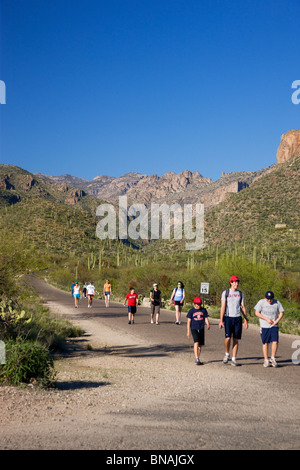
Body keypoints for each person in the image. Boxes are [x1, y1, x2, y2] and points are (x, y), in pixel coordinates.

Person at [219, 275, 248, 366]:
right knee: (228, 338)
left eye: (237, 282)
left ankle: (234, 358)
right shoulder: (226, 293)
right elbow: (223, 306)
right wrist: (221, 320)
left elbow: (243, 307)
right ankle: (227, 353)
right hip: (228, 317)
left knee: (236, 339)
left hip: (237, 318)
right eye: (234, 282)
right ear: (231, 283)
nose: (236, 284)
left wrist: (245, 320)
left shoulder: (240, 294)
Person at [254, 291, 284, 368]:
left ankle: (273, 358)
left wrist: (276, 321)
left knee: (275, 341)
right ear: (265, 298)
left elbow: (281, 312)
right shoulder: (261, 302)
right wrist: (266, 319)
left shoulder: (277, 302)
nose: (269, 300)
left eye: (271, 299)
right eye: (268, 299)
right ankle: (266, 359)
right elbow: (257, 313)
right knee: (265, 342)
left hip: (274, 325)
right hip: (264, 325)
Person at [186, 297, 210, 365]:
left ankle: (198, 358)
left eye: (199, 304)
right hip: (194, 328)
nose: (198, 305)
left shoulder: (203, 310)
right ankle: (196, 358)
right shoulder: (191, 311)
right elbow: (188, 322)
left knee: (200, 344)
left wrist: (208, 324)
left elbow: (206, 318)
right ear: (194, 304)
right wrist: (188, 331)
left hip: (201, 328)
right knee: (196, 342)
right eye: (197, 304)